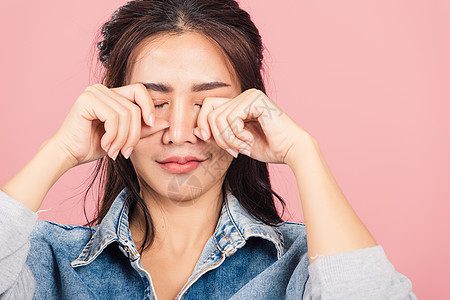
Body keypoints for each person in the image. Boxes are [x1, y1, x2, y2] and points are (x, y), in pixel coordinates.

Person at [0, 0, 417, 299]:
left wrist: (304, 151)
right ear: (113, 106)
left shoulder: (309, 267)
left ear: (251, 109)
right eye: (155, 104)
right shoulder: (44, 260)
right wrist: (59, 150)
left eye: (207, 104)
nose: (180, 133)